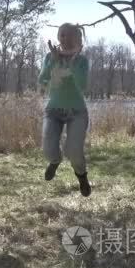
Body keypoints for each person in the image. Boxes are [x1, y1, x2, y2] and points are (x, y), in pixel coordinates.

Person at [38, 23, 91, 197]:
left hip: (77, 112)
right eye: (62, 35)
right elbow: (42, 80)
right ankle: (55, 161)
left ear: (77, 38)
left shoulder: (82, 60)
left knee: (74, 152)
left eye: (69, 35)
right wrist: (52, 60)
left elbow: (82, 85)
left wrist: (73, 62)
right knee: (48, 149)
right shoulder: (50, 57)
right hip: (53, 110)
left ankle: (82, 176)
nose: (64, 38)